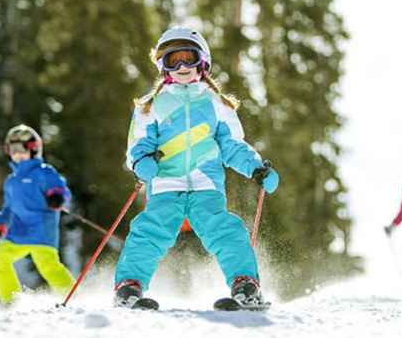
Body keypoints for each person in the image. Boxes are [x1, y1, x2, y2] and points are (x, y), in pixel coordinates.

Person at [114, 26, 279, 309]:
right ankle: (128, 286)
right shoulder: (150, 105)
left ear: (202, 61)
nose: (181, 66)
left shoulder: (216, 103)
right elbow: (138, 143)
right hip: (166, 183)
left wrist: (254, 167)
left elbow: (232, 144)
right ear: (162, 66)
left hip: (206, 184)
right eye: (172, 60)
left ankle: (245, 284)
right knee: (150, 231)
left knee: (226, 230)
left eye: (187, 58)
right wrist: (142, 163)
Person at [0, 124, 75, 304]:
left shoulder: (44, 172)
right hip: (18, 231)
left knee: (48, 266)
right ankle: (12, 301)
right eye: (13, 149)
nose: (17, 153)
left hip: (41, 229)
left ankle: (73, 297)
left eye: (22, 149)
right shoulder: (11, 181)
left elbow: (60, 189)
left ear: (34, 150)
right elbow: (8, 207)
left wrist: (57, 196)